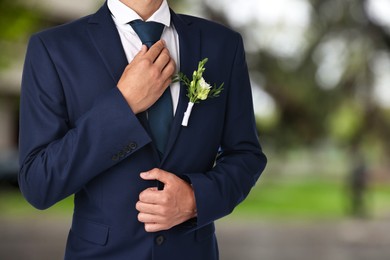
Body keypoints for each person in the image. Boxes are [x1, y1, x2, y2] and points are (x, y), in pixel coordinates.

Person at [18, 0, 267, 259]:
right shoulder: (53, 48)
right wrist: (123, 103)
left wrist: (196, 199)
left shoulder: (222, 44)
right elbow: (38, 182)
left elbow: (246, 155)